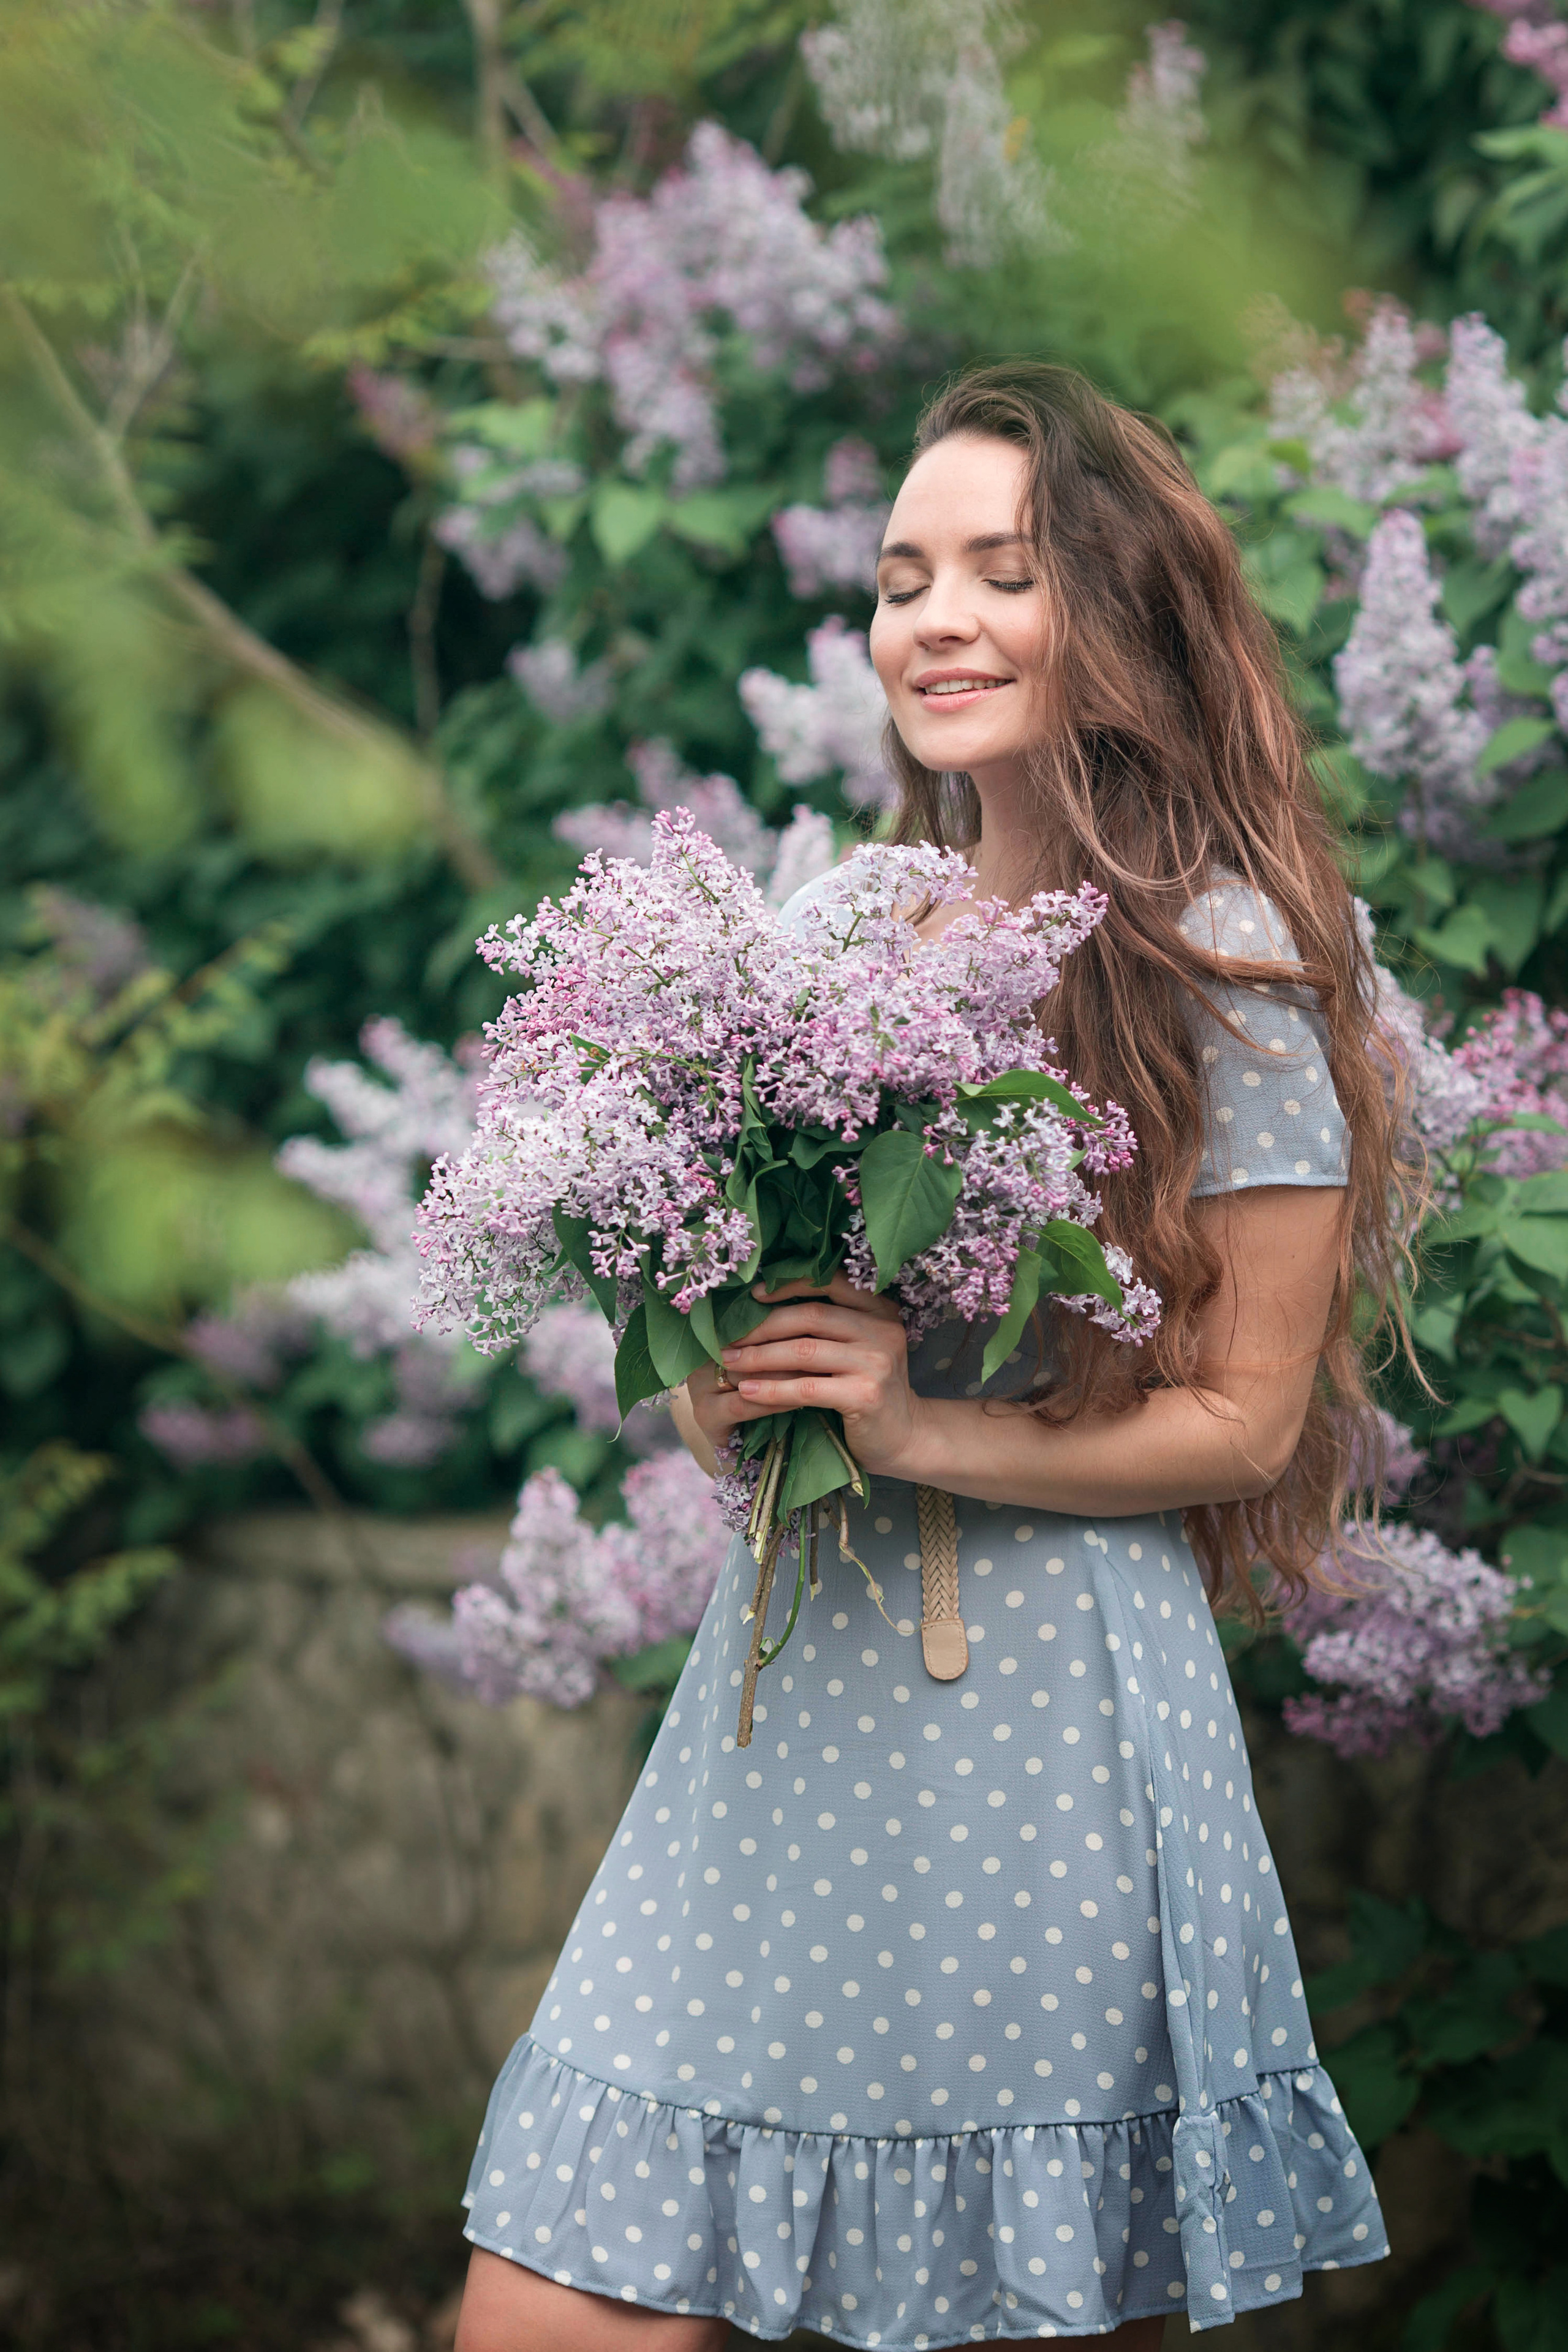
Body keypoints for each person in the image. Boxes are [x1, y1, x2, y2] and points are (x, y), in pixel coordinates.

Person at [454, 362, 1409, 2352]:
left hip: (1049, 1729)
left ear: (1122, 612)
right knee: (548, 2300)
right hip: (782, 1709)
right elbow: (766, 1318)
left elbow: (1237, 1420)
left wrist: (920, 1424)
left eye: (1002, 568)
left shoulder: (1223, 966)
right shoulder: (839, 926)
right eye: (902, 578)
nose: (934, 618)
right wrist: (742, 1376)